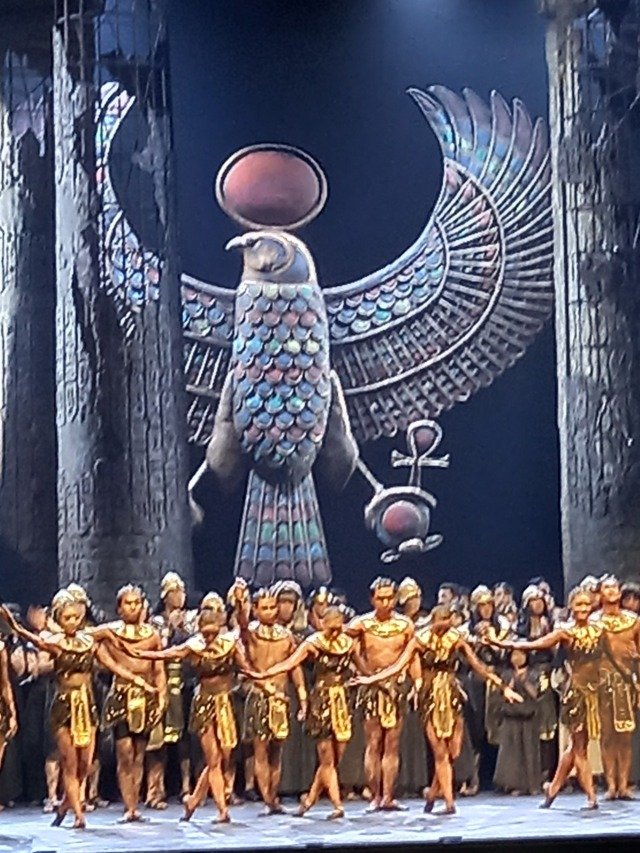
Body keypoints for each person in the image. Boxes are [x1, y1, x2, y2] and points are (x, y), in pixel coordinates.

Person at [355, 604, 522, 815]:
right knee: (440, 752)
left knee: (453, 752)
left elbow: (478, 665)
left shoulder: (455, 638)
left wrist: (503, 687)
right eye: (440, 625)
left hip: (450, 695)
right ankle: (450, 803)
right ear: (433, 622)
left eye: (447, 625)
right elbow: (398, 665)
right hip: (430, 696)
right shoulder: (420, 640)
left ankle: (433, 793)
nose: (444, 629)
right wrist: (371, 679)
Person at [0, 591, 135, 829]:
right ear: (59, 620)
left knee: (86, 763)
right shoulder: (55, 642)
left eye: (75, 617)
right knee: (70, 762)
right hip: (64, 705)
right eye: (67, 618)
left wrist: (136, 678)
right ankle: (78, 815)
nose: (72, 622)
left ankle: (65, 803)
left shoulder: (89, 641)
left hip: (87, 703)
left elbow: (111, 660)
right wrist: (12, 622)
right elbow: (29, 637)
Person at [126, 607, 251, 823]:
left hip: (224, 702)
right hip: (204, 703)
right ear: (200, 629)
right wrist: (144, 654)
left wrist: (264, 679)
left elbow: (246, 667)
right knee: (213, 760)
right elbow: (169, 654)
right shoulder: (194, 645)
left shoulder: (229, 644)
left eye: (213, 633)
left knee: (224, 755)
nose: (209, 638)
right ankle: (222, 810)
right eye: (206, 633)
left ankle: (193, 800)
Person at [488, 588, 601, 810]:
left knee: (576, 746)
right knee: (579, 748)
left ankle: (553, 788)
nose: (583, 609)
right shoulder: (565, 631)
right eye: (579, 604)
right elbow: (534, 645)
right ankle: (591, 796)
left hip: (595, 691)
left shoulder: (599, 629)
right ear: (571, 606)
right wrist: (503, 644)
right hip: (576, 693)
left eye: (587, 604)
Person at [247, 605, 356, 819]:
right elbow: (291, 663)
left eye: (338, 628)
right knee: (326, 758)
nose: (335, 633)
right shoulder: (313, 643)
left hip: (341, 700)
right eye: (331, 628)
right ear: (323, 624)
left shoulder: (348, 643)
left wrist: (373, 678)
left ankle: (309, 801)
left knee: (334, 759)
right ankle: (337, 805)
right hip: (322, 701)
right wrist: (266, 674)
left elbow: (361, 666)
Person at [97, 584, 166, 823]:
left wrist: (162, 696)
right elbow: (88, 636)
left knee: (139, 754)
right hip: (122, 695)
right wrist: (106, 640)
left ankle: (135, 805)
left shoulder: (152, 635)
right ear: (119, 607)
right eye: (128, 603)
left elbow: (159, 668)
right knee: (125, 753)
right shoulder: (112, 631)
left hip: (146, 697)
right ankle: (128, 806)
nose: (133, 607)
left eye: (137, 603)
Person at [237, 588, 308, 816]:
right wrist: (239, 603)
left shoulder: (286, 636)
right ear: (256, 610)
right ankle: (267, 799)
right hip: (259, 696)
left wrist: (302, 695)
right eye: (264, 608)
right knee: (260, 750)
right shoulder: (251, 633)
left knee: (277, 751)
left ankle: (273, 796)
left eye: (272, 607)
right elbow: (242, 624)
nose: (269, 612)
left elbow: (294, 665)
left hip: (281, 697)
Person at [347, 577, 414, 812]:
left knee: (392, 744)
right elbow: (344, 646)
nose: (385, 603)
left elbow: (412, 656)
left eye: (389, 598)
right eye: (380, 598)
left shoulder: (405, 625)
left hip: (396, 687)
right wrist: (362, 671)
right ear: (372, 599)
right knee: (373, 742)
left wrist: (416, 683)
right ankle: (375, 796)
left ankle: (388, 796)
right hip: (371, 686)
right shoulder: (361, 624)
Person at [593, 575, 640, 800]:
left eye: (614, 587)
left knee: (625, 735)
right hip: (602, 681)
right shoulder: (593, 622)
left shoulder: (633, 620)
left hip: (626, 680)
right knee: (607, 735)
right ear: (599, 593)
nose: (612, 590)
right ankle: (610, 785)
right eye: (607, 587)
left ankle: (624, 784)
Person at [146, 572, 191, 809]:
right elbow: (157, 649)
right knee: (158, 740)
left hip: (184, 683)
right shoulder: (156, 622)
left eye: (181, 591)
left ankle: (187, 787)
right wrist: (170, 629)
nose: (180, 596)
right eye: (175, 592)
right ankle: (156, 789)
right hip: (161, 682)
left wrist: (184, 629)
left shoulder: (190, 618)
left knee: (184, 739)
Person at [396, 577, 429, 798]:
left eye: (417, 598)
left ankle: (419, 780)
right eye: (411, 599)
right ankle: (398, 781)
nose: (415, 602)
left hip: (420, 677)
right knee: (400, 732)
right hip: (399, 678)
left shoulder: (426, 622)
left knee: (417, 732)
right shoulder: (397, 624)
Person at [493, 648, 541, 796]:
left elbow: (536, 694)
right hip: (511, 715)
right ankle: (513, 784)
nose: (517, 657)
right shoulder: (506, 674)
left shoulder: (534, 673)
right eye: (514, 654)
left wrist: (524, 681)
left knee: (529, 751)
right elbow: (501, 694)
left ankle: (532, 785)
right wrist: (510, 684)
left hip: (528, 715)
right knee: (512, 752)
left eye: (521, 654)